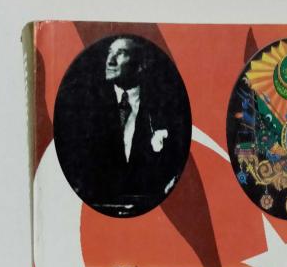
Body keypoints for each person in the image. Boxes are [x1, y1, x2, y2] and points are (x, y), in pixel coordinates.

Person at [54, 35, 191, 217]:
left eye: (120, 53)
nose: (110, 60)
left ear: (140, 65)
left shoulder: (165, 108)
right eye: (109, 53)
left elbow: (179, 163)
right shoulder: (87, 108)